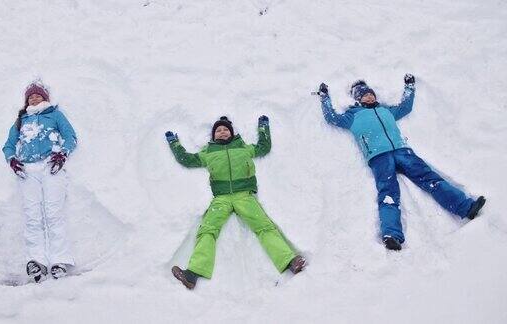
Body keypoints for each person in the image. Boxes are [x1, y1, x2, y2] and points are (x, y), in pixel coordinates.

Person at [314, 74, 485, 251]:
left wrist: (409, 87)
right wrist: (324, 97)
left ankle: (465, 207)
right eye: (364, 95)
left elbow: (405, 107)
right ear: (358, 99)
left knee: (430, 178)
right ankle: (391, 235)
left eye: (371, 94)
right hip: (379, 157)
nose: (369, 96)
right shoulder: (352, 116)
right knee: (388, 193)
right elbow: (332, 118)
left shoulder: (386, 110)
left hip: (403, 151)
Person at [165, 116, 306, 289]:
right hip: (221, 199)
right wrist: (174, 144)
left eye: (225, 130)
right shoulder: (208, 152)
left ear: (231, 133)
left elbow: (264, 147)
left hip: (244, 196)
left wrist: (263, 127)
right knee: (208, 230)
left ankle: (290, 261)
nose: (222, 132)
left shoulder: (243, 148)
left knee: (264, 226)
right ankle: (192, 273)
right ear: (213, 135)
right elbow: (186, 159)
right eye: (218, 130)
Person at [2, 81, 77, 282]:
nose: (34, 98)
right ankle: (36, 260)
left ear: (45, 98)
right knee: (32, 215)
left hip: (50, 166)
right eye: (30, 96)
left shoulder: (55, 115)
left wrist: (62, 155)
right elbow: (8, 145)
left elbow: (70, 136)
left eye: (38, 96)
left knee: (54, 213)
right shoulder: (21, 120)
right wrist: (12, 160)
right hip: (28, 170)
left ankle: (59, 260)